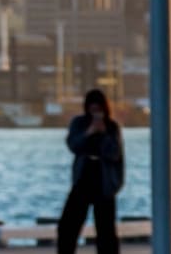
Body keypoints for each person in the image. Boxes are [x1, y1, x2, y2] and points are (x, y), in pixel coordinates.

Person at [56, 89, 124, 254]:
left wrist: (104, 133)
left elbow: (115, 153)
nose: (95, 114)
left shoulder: (112, 127)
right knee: (67, 226)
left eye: (98, 110)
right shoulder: (79, 123)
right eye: (92, 110)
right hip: (83, 178)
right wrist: (89, 132)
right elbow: (73, 144)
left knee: (106, 231)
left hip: (104, 181)